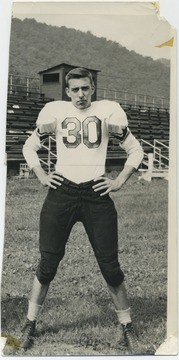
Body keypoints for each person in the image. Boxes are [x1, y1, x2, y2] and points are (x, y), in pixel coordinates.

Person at [21, 67, 144, 354]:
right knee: (48, 262)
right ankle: (30, 323)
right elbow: (30, 147)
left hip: (95, 194)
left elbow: (135, 150)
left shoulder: (107, 112)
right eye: (75, 89)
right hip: (61, 192)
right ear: (67, 91)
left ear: (93, 88)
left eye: (85, 88)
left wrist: (118, 181)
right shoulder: (56, 112)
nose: (80, 94)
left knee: (110, 266)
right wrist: (41, 175)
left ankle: (126, 326)